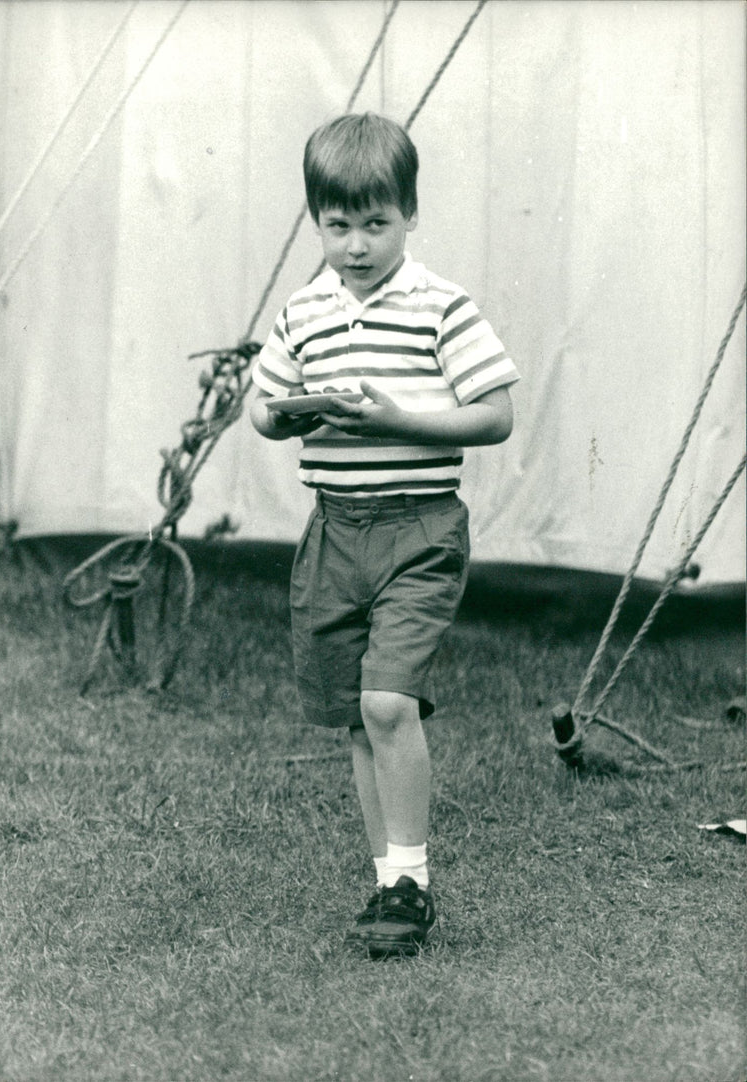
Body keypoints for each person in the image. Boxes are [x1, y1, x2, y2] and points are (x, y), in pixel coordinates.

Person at [250, 112, 520, 957]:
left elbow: (497, 415)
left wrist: (401, 419)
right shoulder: (304, 312)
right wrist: (284, 417)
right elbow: (262, 406)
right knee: (358, 720)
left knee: (387, 700)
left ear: (410, 214)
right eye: (339, 226)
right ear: (316, 222)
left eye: (377, 223)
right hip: (334, 534)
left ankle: (412, 880)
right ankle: (391, 886)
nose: (358, 244)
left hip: (418, 531)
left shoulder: (441, 306)